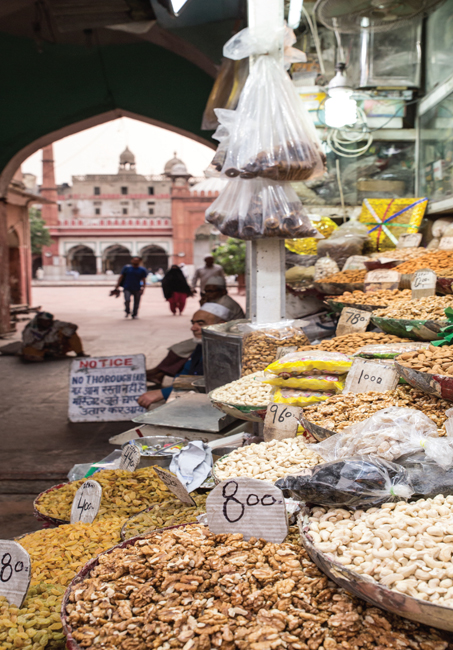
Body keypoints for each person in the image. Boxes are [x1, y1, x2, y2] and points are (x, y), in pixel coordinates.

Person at [138, 303, 230, 408]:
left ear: (221, 325)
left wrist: (162, 393)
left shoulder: (227, 352)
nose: (193, 328)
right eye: (193, 323)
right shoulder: (202, 344)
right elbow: (187, 372)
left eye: (200, 324)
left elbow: (211, 385)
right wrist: (171, 390)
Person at [21, 311, 88, 362]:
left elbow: (73, 326)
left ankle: (80, 353)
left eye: (49, 321)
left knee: (72, 334)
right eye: (45, 322)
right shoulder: (29, 330)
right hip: (42, 348)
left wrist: (65, 336)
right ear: (39, 321)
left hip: (59, 347)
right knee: (29, 352)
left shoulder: (55, 324)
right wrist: (48, 345)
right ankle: (47, 354)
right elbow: (28, 343)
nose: (48, 323)